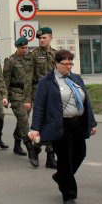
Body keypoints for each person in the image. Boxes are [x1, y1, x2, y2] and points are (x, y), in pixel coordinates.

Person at [29, 49, 97, 204]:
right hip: (60, 125)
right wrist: (35, 128)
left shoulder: (76, 78)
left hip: (78, 123)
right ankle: (69, 194)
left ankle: (60, 177)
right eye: (65, 64)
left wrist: (92, 122)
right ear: (56, 64)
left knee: (80, 153)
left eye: (70, 63)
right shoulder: (47, 81)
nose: (68, 67)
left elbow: (86, 102)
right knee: (65, 159)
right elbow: (39, 107)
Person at [28, 27, 58, 169]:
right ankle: (35, 149)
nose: (41, 40)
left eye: (44, 37)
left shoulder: (56, 54)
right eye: (39, 38)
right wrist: (27, 99)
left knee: (53, 122)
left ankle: (50, 157)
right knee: (41, 123)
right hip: (38, 91)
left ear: (51, 38)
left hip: (53, 92)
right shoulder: (33, 55)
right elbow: (28, 78)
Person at [3, 37, 35, 158]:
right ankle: (30, 148)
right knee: (23, 120)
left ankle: (17, 144)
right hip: (15, 93)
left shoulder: (30, 58)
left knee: (23, 119)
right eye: (22, 48)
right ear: (17, 47)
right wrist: (5, 97)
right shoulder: (10, 60)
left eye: (26, 47)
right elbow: (5, 80)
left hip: (27, 94)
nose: (25, 49)